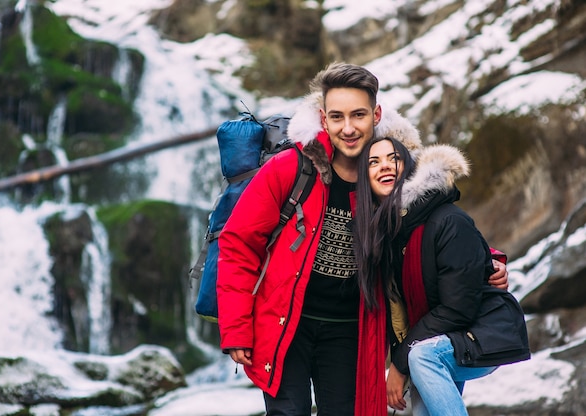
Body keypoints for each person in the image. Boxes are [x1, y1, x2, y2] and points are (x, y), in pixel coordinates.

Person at [216, 62, 508, 416]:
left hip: (351, 331)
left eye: (358, 115)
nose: (348, 128)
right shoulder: (290, 169)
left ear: (376, 114)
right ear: (324, 119)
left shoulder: (390, 171)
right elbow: (238, 244)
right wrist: (235, 329)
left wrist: (486, 260)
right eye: (337, 117)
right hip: (285, 324)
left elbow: (436, 220)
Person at [352, 134, 516, 415]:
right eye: (373, 162)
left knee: (422, 357)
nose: (385, 166)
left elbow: (458, 308)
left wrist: (400, 364)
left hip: (474, 334)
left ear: (410, 169)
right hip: (432, 338)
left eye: (394, 159)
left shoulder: (446, 220)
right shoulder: (384, 236)